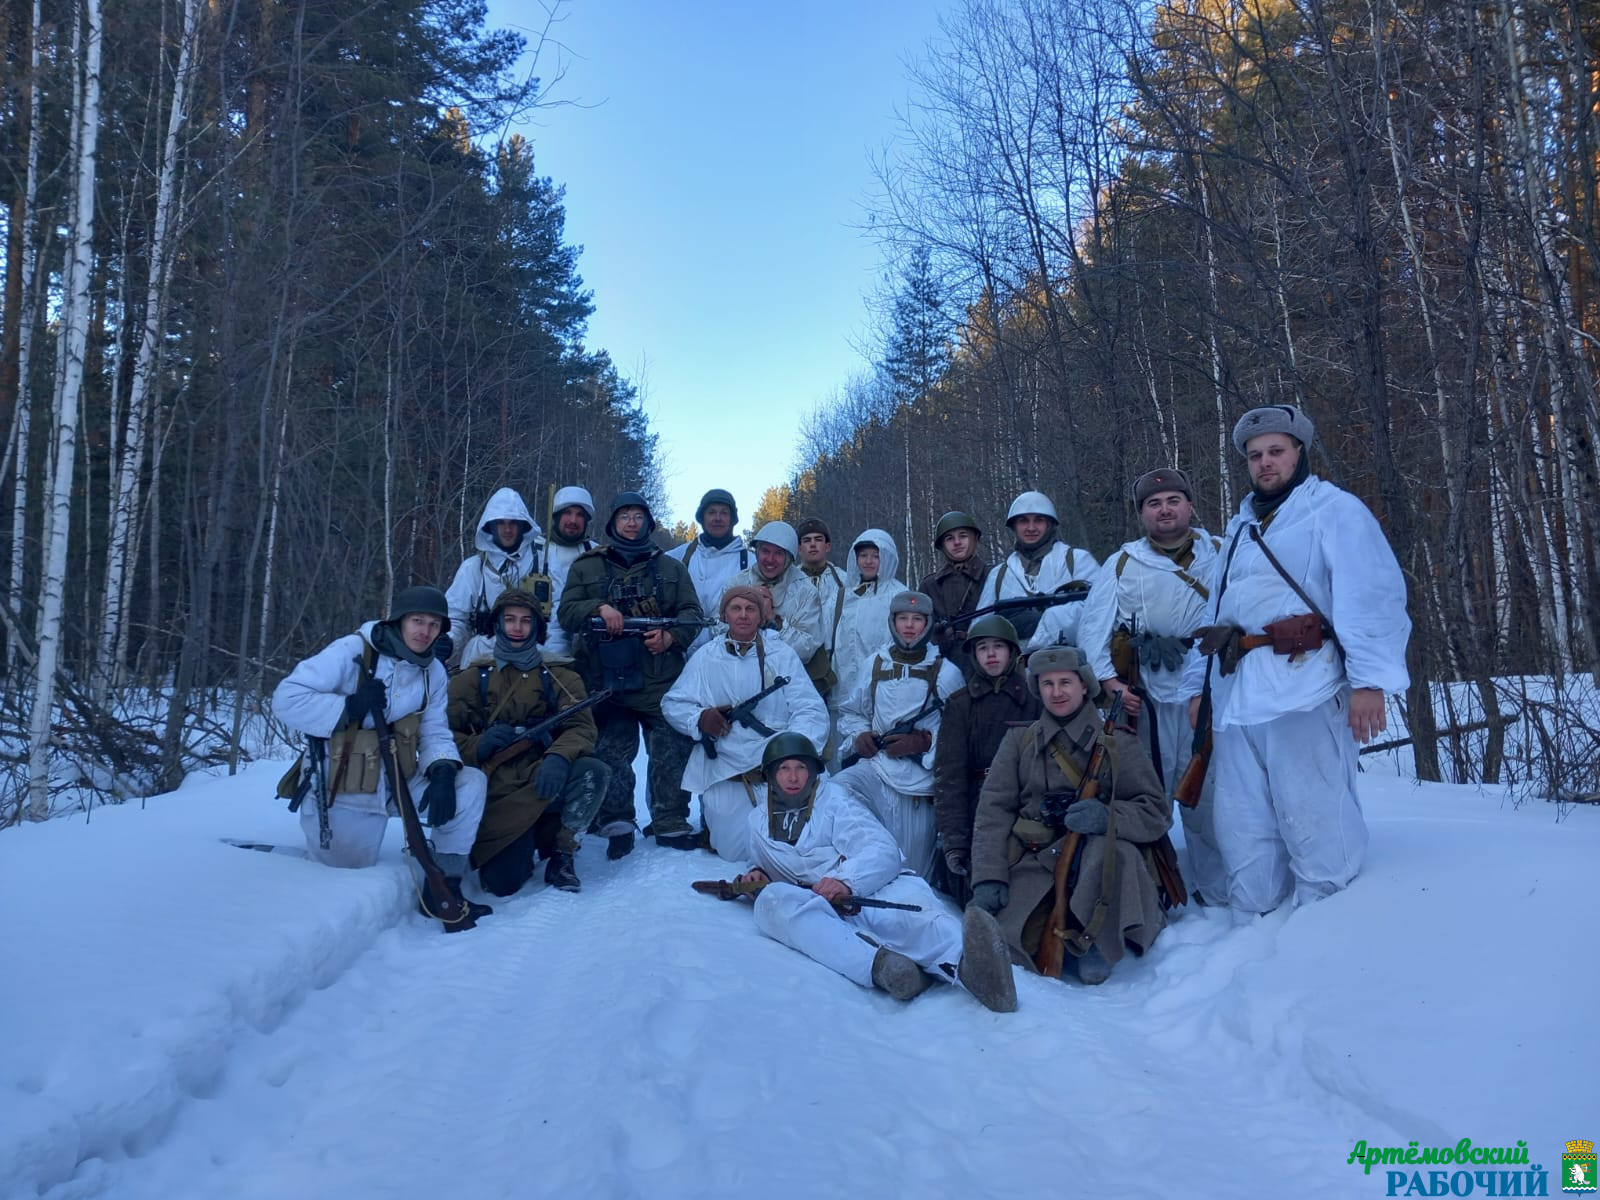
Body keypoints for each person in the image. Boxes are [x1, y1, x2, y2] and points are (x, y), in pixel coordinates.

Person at [1183, 405, 1410, 914]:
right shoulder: (1241, 527)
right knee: (1242, 817)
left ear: (1299, 453)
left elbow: (1371, 596)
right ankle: (1254, 917)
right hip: (1238, 690)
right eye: (1255, 455)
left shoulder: (1335, 510)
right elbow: (1216, 611)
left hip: (1306, 683)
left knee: (1312, 805)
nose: (1265, 463)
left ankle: (1328, 917)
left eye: (1276, 452)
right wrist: (1200, 689)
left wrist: (1370, 682)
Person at [730, 733, 1017, 1012]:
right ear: (770, 774)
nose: (793, 778)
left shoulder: (835, 800)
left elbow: (881, 849)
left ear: (813, 771)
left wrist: (845, 881)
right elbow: (760, 862)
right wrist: (755, 874)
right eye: (784, 769)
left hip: (870, 887)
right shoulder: (757, 822)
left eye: (800, 768)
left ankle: (975, 967)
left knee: (915, 918)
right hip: (817, 906)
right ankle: (885, 969)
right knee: (772, 902)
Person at [272, 585, 491, 924]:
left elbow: (433, 728)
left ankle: (444, 888)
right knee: (339, 884)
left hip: (400, 781)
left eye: (434, 625)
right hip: (344, 789)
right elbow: (286, 699)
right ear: (398, 621)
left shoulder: (431, 669)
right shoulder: (352, 651)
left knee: (470, 785)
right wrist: (348, 707)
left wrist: (443, 767)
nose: (425, 632)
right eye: (417, 621)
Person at [970, 646, 1172, 984]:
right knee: (1005, 939)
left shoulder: (1117, 742)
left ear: (1085, 687)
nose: (1057, 692)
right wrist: (989, 876)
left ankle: (1097, 940)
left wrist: (1107, 817)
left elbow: (1156, 811)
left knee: (1112, 852)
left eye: (1066, 682)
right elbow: (993, 811)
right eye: (1047, 684)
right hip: (1035, 858)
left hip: (1098, 861)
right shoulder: (1019, 740)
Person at [1077, 466, 1227, 903]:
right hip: (1149, 693)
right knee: (1148, 791)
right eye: (1153, 504)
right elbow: (1094, 627)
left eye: (1172, 501)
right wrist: (1110, 683)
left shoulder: (1219, 550)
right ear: (1142, 514)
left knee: (1211, 794)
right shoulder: (1123, 562)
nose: (1164, 510)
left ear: (1190, 506)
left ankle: (1215, 890)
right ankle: (1151, 890)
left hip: (1212, 688)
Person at [558, 491, 706, 857]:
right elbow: (567, 612)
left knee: (672, 749)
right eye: (624, 516)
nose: (631, 522)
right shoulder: (586, 566)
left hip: (661, 677)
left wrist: (671, 636)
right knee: (611, 751)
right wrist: (599, 607)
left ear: (648, 524)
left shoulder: (671, 568)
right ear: (612, 523)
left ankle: (669, 819)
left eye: (638, 516)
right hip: (607, 679)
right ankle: (616, 821)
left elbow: (692, 612)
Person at [446, 589, 611, 896]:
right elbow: (441, 734)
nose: (518, 628)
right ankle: (531, 832)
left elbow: (582, 727)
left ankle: (563, 851)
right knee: (502, 884)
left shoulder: (560, 675)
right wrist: (479, 744)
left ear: (537, 626)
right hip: (497, 788)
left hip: (542, 774)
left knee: (593, 771)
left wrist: (559, 756)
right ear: (497, 625)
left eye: (525, 620)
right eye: (510, 620)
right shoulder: (472, 678)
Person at [661, 586, 830, 862]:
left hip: (774, 765)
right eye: (736, 609)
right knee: (732, 852)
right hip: (725, 766)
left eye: (750, 609)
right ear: (725, 614)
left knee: (794, 844)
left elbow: (809, 707)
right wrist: (701, 718)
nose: (743, 615)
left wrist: (792, 753)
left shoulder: (781, 654)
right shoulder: (706, 656)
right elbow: (673, 703)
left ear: (761, 616)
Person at [833, 591, 963, 878]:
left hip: (919, 785)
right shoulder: (875, 665)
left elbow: (961, 732)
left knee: (911, 873)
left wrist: (925, 742)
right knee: (835, 791)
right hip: (876, 770)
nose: (909, 625)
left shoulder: (946, 673)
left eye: (917, 619)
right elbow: (852, 712)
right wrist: (860, 736)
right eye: (902, 618)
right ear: (892, 622)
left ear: (928, 624)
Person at [930, 614, 1039, 907]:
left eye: (998, 647)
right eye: (982, 648)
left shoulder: (1034, 699)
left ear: (1012, 652)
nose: (991, 655)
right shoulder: (960, 705)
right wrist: (955, 841)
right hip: (978, 807)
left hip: (1027, 803)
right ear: (974, 655)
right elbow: (949, 779)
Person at [444, 487, 547, 668]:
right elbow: (455, 618)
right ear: (490, 526)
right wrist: (447, 642)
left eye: (513, 523)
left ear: (523, 525)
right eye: (500, 523)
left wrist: (552, 658)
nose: (507, 529)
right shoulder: (473, 569)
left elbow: (556, 622)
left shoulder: (545, 563)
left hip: (535, 658)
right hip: (483, 657)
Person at [708, 520, 825, 672]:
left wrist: (773, 620)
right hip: (738, 671)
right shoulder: (737, 583)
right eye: (765, 551)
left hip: (787, 676)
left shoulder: (805, 591)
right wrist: (747, 615)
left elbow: (806, 650)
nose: (770, 559)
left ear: (789, 558)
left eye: (778, 553)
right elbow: (716, 630)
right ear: (756, 552)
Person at [985, 490, 1098, 646]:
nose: (1031, 528)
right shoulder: (998, 576)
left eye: (1038, 520)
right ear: (1014, 527)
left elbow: (1099, 610)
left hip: (1074, 663)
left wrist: (1046, 620)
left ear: (1049, 525)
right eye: (1023, 521)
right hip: (1014, 667)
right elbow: (980, 628)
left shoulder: (1078, 561)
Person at [829, 528, 907, 710]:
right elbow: (826, 640)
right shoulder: (841, 597)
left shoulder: (899, 595)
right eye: (863, 555)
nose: (869, 561)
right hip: (843, 690)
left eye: (875, 556)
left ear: (886, 558)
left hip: (885, 688)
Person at [919, 510, 991, 676]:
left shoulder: (994, 576)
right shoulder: (930, 586)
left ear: (974, 539)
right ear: (942, 545)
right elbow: (919, 635)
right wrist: (936, 638)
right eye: (949, 538)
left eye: (963, 536)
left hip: (989, 662)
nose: (957, 542)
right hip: (944, 669)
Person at [540, 485, 600, 662]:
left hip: (584, 648)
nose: (573, 520)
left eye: (580, 515)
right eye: (567, 513)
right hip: (535, 647)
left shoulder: (597, 554)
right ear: (556, 516)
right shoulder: (534, 550)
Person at [667, 488, 748, 615]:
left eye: (724, 513)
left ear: (732, 519)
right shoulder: (677, 557)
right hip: (686, 634)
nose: (717, 518)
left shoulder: (750, 562)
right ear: (702, 518)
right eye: (711, 512)